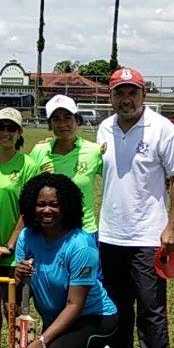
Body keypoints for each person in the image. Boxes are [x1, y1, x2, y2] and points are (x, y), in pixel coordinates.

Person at [95, 67, 174, 348]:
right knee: (116, 305)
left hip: (149, 236)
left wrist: (173, 227)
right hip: (110, 234)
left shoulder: (163, 129)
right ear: (111, 95)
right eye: (120, 92)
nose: (126, 98)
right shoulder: (104, 127)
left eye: (132, 92)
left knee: (150, 311)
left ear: (143, 94)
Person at [14, 173, 117, 348]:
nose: (46, 210)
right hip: (56, 321)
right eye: (40, 204)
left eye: (54, 204)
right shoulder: (27, 237)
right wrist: (16, 275)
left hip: (94, 319)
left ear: (67, 206)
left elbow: (75, 305)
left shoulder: (81, 246)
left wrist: (42, 341)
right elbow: (16, 286)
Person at [30, 94, 103, 239]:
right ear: (50, 125)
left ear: (77, 120)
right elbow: (30, 193)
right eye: (56, 119)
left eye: (67, 117)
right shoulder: (39, 151)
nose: (62, 123)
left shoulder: (94, 151)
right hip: (48, 234)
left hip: (84, 232)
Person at [0, 107, 41, 274]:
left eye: (11, 128)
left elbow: (28, 211)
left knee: (11, 300)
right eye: (0, 127)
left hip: (13, 255)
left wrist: (10, 245)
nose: (5, 132)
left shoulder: (29, 165)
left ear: (19, 132)